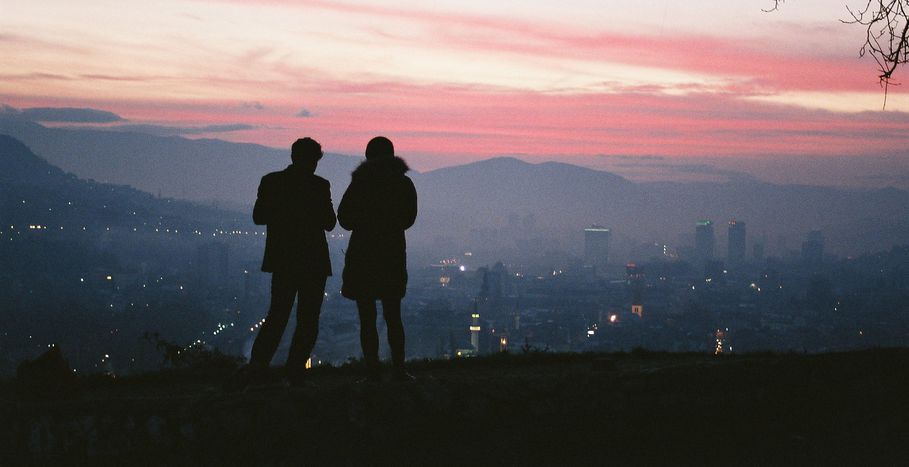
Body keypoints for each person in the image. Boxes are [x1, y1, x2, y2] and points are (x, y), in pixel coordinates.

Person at [246, 137, 336, 386]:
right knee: (308, 319)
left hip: (283, 259)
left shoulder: (272, 182)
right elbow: (329, 222)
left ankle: (258, 367)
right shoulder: (320, 186)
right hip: (313, 261)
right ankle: (295, 370)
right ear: (315, 160)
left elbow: (258, 216)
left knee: (278, 315)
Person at [338, 136, 417, 381]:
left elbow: (345, 219)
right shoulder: (403, 184)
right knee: (393, 314)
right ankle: (399, 368)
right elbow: (408, 219)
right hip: (392, 254)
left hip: (363, 255)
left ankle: (372, 370)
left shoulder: (359, 185)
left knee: (367, 317)